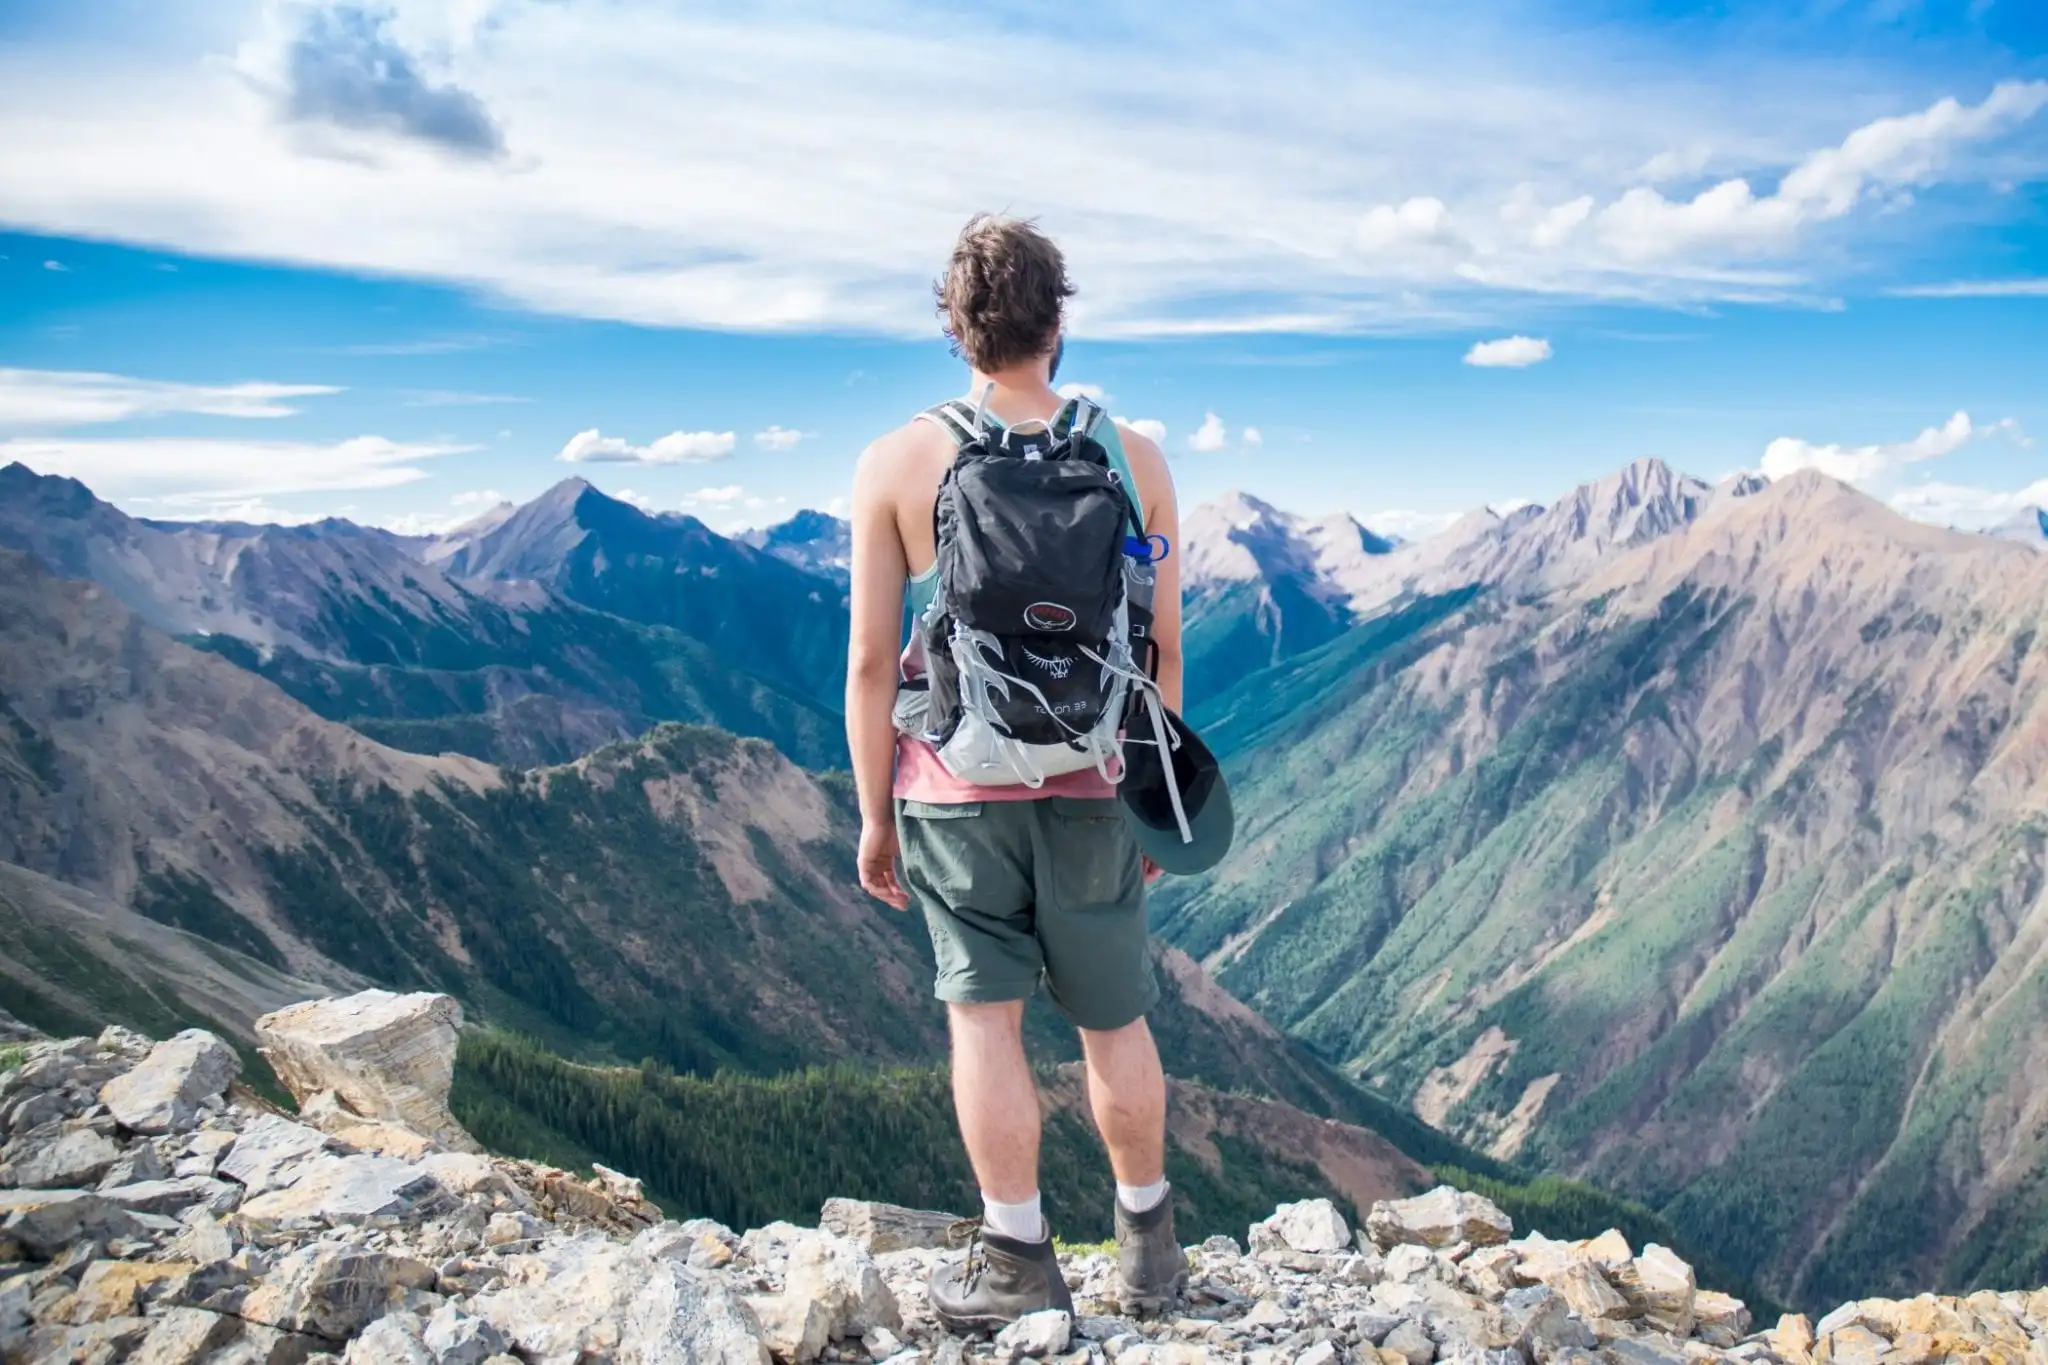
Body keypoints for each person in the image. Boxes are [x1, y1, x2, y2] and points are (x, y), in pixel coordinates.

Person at [845, 214, 1187, 1328]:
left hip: (949, 790)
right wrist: (1157, 803)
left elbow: (863, 662)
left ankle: (1015, 1261)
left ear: (954, 327)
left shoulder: (895, 462)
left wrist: (873, 819)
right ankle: (1148, 1256)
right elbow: (1159, 651)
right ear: (1057, 316)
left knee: (982, 1026)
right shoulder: (1130, 458)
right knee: (1114, 1021)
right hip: (1095, 784)